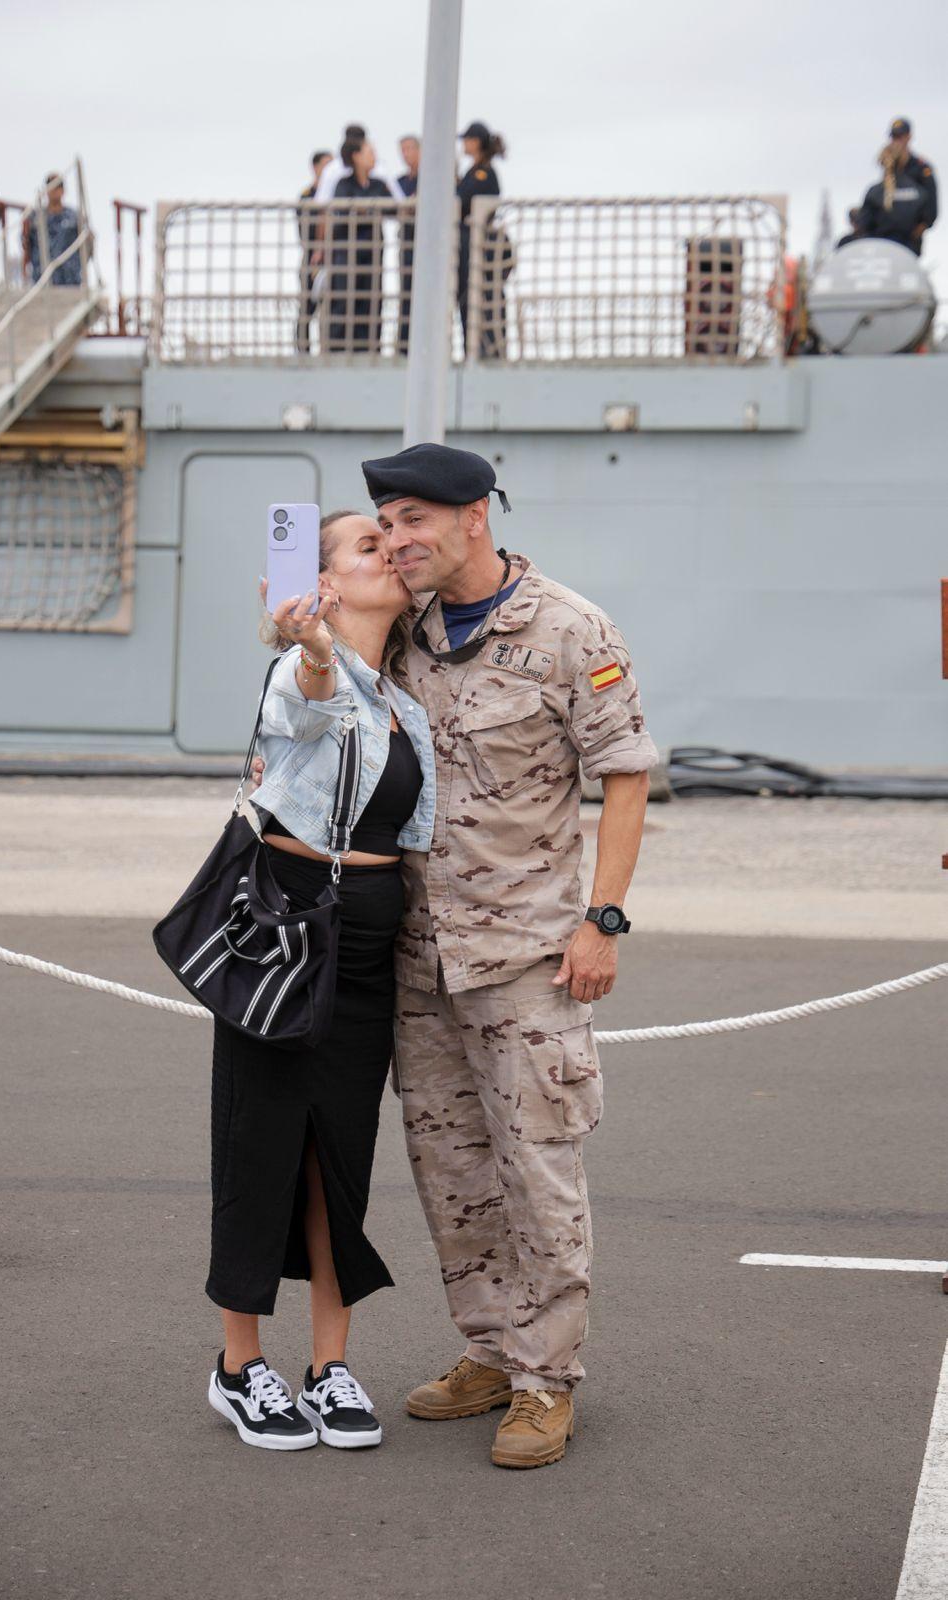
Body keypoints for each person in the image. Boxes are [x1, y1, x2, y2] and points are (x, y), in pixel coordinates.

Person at [365, 442, 657, 1469]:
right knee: (450, 1167)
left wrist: (602, 921)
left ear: (473, 515)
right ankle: (489, 1346)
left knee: (537, 1166)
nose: (395, 540)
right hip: (419, 953)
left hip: (529, 952)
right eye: (384, 524)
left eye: (411, 520)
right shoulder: (396, 631)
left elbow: (624, 774)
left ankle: (547, 1377)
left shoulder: (571, 630)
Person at [206, 510, 436, 1453]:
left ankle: (330, 1365)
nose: (392, 553)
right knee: (260, 1140)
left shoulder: (402, 699)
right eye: (368, 546)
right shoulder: (305, 670)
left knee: (338, 1151)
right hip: (290, 929)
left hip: (369, 948)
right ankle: (237, 1368)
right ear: (328, 584)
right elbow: (300, 705)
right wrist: (307, 646)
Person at [326, 138, 393, 355]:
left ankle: (370, 348)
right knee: (344, 300)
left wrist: (365, 210)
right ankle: (337, 350)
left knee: (371, 300)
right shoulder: (343, 184)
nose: (374, 156)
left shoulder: (379, 185)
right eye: (369, 152)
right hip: (347, 252)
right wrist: (369, 210)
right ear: (355, 156)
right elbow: (343, 211)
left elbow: (391, 208)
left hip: (372, 252)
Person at [456, 121, 510, 359]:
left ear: (475, 142)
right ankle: (474, 347)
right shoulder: (474, 171)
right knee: (469, 298)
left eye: (466, 140)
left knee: (482, 296)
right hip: (468, 245)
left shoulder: (483, 173)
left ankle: (486, 349)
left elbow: (463, 202)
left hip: (478, 245)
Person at [854, 117, 937, 256]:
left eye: (900, 136)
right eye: (894, 136)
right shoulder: (877, 191)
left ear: (909, 137)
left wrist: (915, 234)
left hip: (908, 244)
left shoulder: (922, 169)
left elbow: (930, 211)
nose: (896, 141)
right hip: (880, 245)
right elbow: (867, 219)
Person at [314, 123, 405, 203]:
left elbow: (398, 204)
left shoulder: (331, 168)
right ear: (356, 155)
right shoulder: (339, 178)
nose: (374, 157)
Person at [296, 149, 331, 355]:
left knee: (332, 311)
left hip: (334, 259)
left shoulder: (336, 193)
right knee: (306, 307)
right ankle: (302, 351)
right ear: (315, 168)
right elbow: (304, 231)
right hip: (311, 260)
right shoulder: (307, 196)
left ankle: (328, 350)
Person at [22, 173, 82, 287]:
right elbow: (26, 245)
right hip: (42, 280)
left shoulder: (74, 218)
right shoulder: (35, 217)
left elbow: (87, 246)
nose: (54, 190)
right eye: (51, 186)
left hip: (70, 281)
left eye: (58, 186)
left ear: (63, 190)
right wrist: (24, 274)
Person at [397, 136, 420, 356]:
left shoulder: (431, 178)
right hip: (406, 243)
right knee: (406, 293)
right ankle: (403, 345)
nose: (405, 154)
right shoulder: (400, 181)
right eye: (402, 150)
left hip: (427, 245)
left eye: (409, 149)